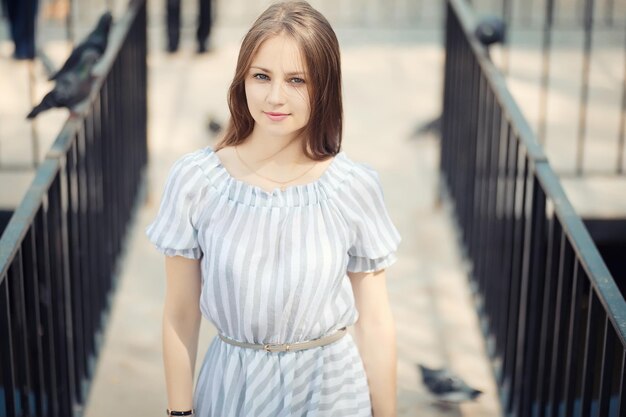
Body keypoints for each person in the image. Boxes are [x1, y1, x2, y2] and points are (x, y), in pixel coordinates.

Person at [146, 1, 402, 416]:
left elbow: (374, 321)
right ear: (241, 79)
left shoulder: (354, 187)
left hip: (332, 392)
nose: (275, 97)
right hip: (234, 389)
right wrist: (179, 411)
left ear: (324, 86)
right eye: (261, 76)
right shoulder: (197, 181)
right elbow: (179, 313)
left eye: (297, 80)